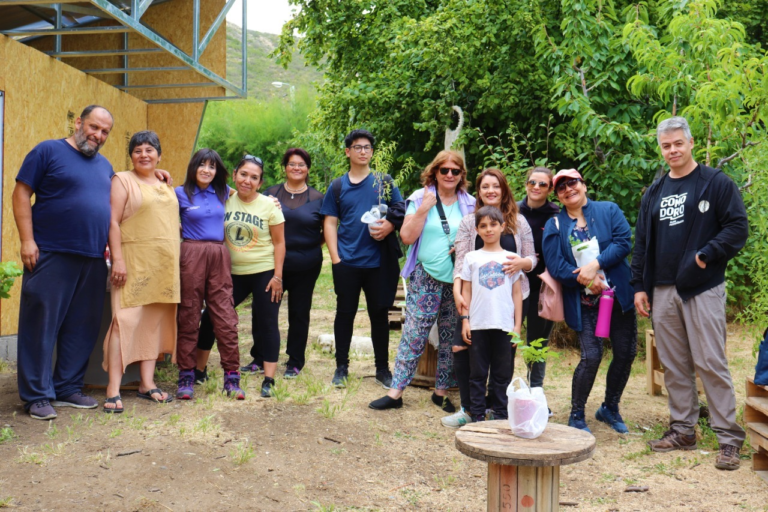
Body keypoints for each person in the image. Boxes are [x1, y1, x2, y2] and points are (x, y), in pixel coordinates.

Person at [11, 105, 169, 420]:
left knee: (81, 327)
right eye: (94, 127)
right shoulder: (48, 151)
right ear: (79, 123)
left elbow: (128, 188)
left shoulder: (105, 166)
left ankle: (67, 386)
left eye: (105, 131)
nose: (98, 135)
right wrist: (27, 240)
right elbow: (20, 193)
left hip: (93, 257)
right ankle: (37, 395)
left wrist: (156, 175)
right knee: (41, 325)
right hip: (52, 253)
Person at [631, 116, 748, 470]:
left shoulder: (715, 183)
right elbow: (641, 243)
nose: (672, 151)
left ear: (691, 143)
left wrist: (704, 255)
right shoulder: (654, 191)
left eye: (678, 143)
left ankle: (728, 438)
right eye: (666, 146)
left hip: (703, 286)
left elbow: (737, 227)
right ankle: (683, 429)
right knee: (674, 364)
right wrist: (639, 285)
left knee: (710, 361)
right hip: (662, 289)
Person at [369, 150, 475, 411]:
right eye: (444, 170)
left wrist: (464, 246)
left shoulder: (471, 203)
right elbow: (406, 236)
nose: (449, 175)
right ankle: (396, 393)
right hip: (425, 275)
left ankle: (440, 391)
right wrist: (424, 209)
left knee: (451, 336)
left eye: (455, 171)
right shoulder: (419, 197)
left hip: (458, 280)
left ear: (462, 175)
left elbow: (481, 235)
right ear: (435, 172)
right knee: (414, 334)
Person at [542, 169, 637, 433]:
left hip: (618, 296)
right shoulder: (555, 226)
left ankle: (610, 407)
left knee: (626, 352)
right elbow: (555, 264)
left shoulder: (608, 210)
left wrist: (594, 265)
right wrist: (585, 280)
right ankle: (576, 414)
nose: (568, 189)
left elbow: (623, 243)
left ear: (583, 185)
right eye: (561, 187)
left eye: (573, 183)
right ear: (557, 195)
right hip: (584, 302)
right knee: (591, 355)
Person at [442, 168, 536, 428]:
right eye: (485, 186)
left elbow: (533, 258)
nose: (491, 190)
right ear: (479, 191)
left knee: (503, 358)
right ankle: (470, 410)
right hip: (474, 300)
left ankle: (499, 410)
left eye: (496, 186)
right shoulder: (469, 222)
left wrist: (521, 262)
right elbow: (461, 262)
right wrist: (458, 294)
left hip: (510, 299)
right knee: (465, 351)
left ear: (503, 188)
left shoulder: (519, 221)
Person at [321, 129, 405, 388]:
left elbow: (401, 210)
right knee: (344, 314)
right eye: (357, 147)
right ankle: (341, 367)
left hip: (379, 263)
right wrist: (335, 258)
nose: (362, 151)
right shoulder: (337, 186)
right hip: (347, 262)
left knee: (379, 315)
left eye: (367, 147)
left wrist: (390, 225)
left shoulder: (384, 182)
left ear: (372, 152)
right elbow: (330, 222)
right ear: (348, 152)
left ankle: (382, 369)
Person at [103, 131, 179, 412]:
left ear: (159, 155)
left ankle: (147, 383)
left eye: (150, 150)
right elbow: (112, 222)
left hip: (164, 264)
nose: (144, 155)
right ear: (130, 156)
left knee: (153, 323)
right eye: (137, 150)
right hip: (134, 262)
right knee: (124, 322)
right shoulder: (122, 180)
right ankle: (113, 388)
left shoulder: (165, 183)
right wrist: (118, 260)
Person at [198, 156, 286, 398]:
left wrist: (277, 276)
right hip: (230, 273)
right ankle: (198, 370)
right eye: (244, 175)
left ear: (260, 182)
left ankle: (269, 379)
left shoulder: (269, 205)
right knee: (211, 318)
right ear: (235, 174)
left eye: (254, 177)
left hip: (264, 272)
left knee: (268, 322)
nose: (248, 180)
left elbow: (280, 243)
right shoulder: (222, 198)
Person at [174, 148, 244, 401]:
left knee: (224, 314)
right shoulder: (179, 194)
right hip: (190, 254)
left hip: (218, 255)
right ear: (193, 167)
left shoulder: (223, 192)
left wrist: (272, 200)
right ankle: (186, 376)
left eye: (212, 166)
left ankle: (232, 377)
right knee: (189, 313)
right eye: (202, 165)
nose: (206, 170)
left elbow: (250, 196)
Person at [262, 148, 325, 379]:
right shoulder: (270, 194)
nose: (296, 168)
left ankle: (295, 361)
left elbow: (326, 231)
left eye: (301, 164)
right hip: (272, 264)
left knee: (299, 312)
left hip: (306, 265)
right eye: (291, 164)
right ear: (285, 167)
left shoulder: (319, 198)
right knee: (266, 310)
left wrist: (309, 248)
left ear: (308, 168)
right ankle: (260, 356)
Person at [459, 206, 523, 423]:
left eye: (493, 225)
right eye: (483, 226)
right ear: (477, 230)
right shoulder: (471, 258)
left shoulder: (512, 258)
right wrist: (465, 320)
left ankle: (501, 415)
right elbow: (466, 290)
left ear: (503, 227)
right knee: (477, 373)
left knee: (502, 374)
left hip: (504, 324)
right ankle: (477, 415)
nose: (489, 230)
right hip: (477, 324)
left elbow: (517, 293)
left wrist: (517, 327)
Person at [517, 167, 560, 388]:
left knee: (537, 343)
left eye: (543, 184)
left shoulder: (557, 216)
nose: (536, 187)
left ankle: (535, 392)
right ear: (526, 184)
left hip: (542, 288)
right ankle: (497, 393)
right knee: (504, 340)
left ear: (550, 189)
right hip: (512, 286)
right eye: (533, 182)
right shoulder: (512, 211)